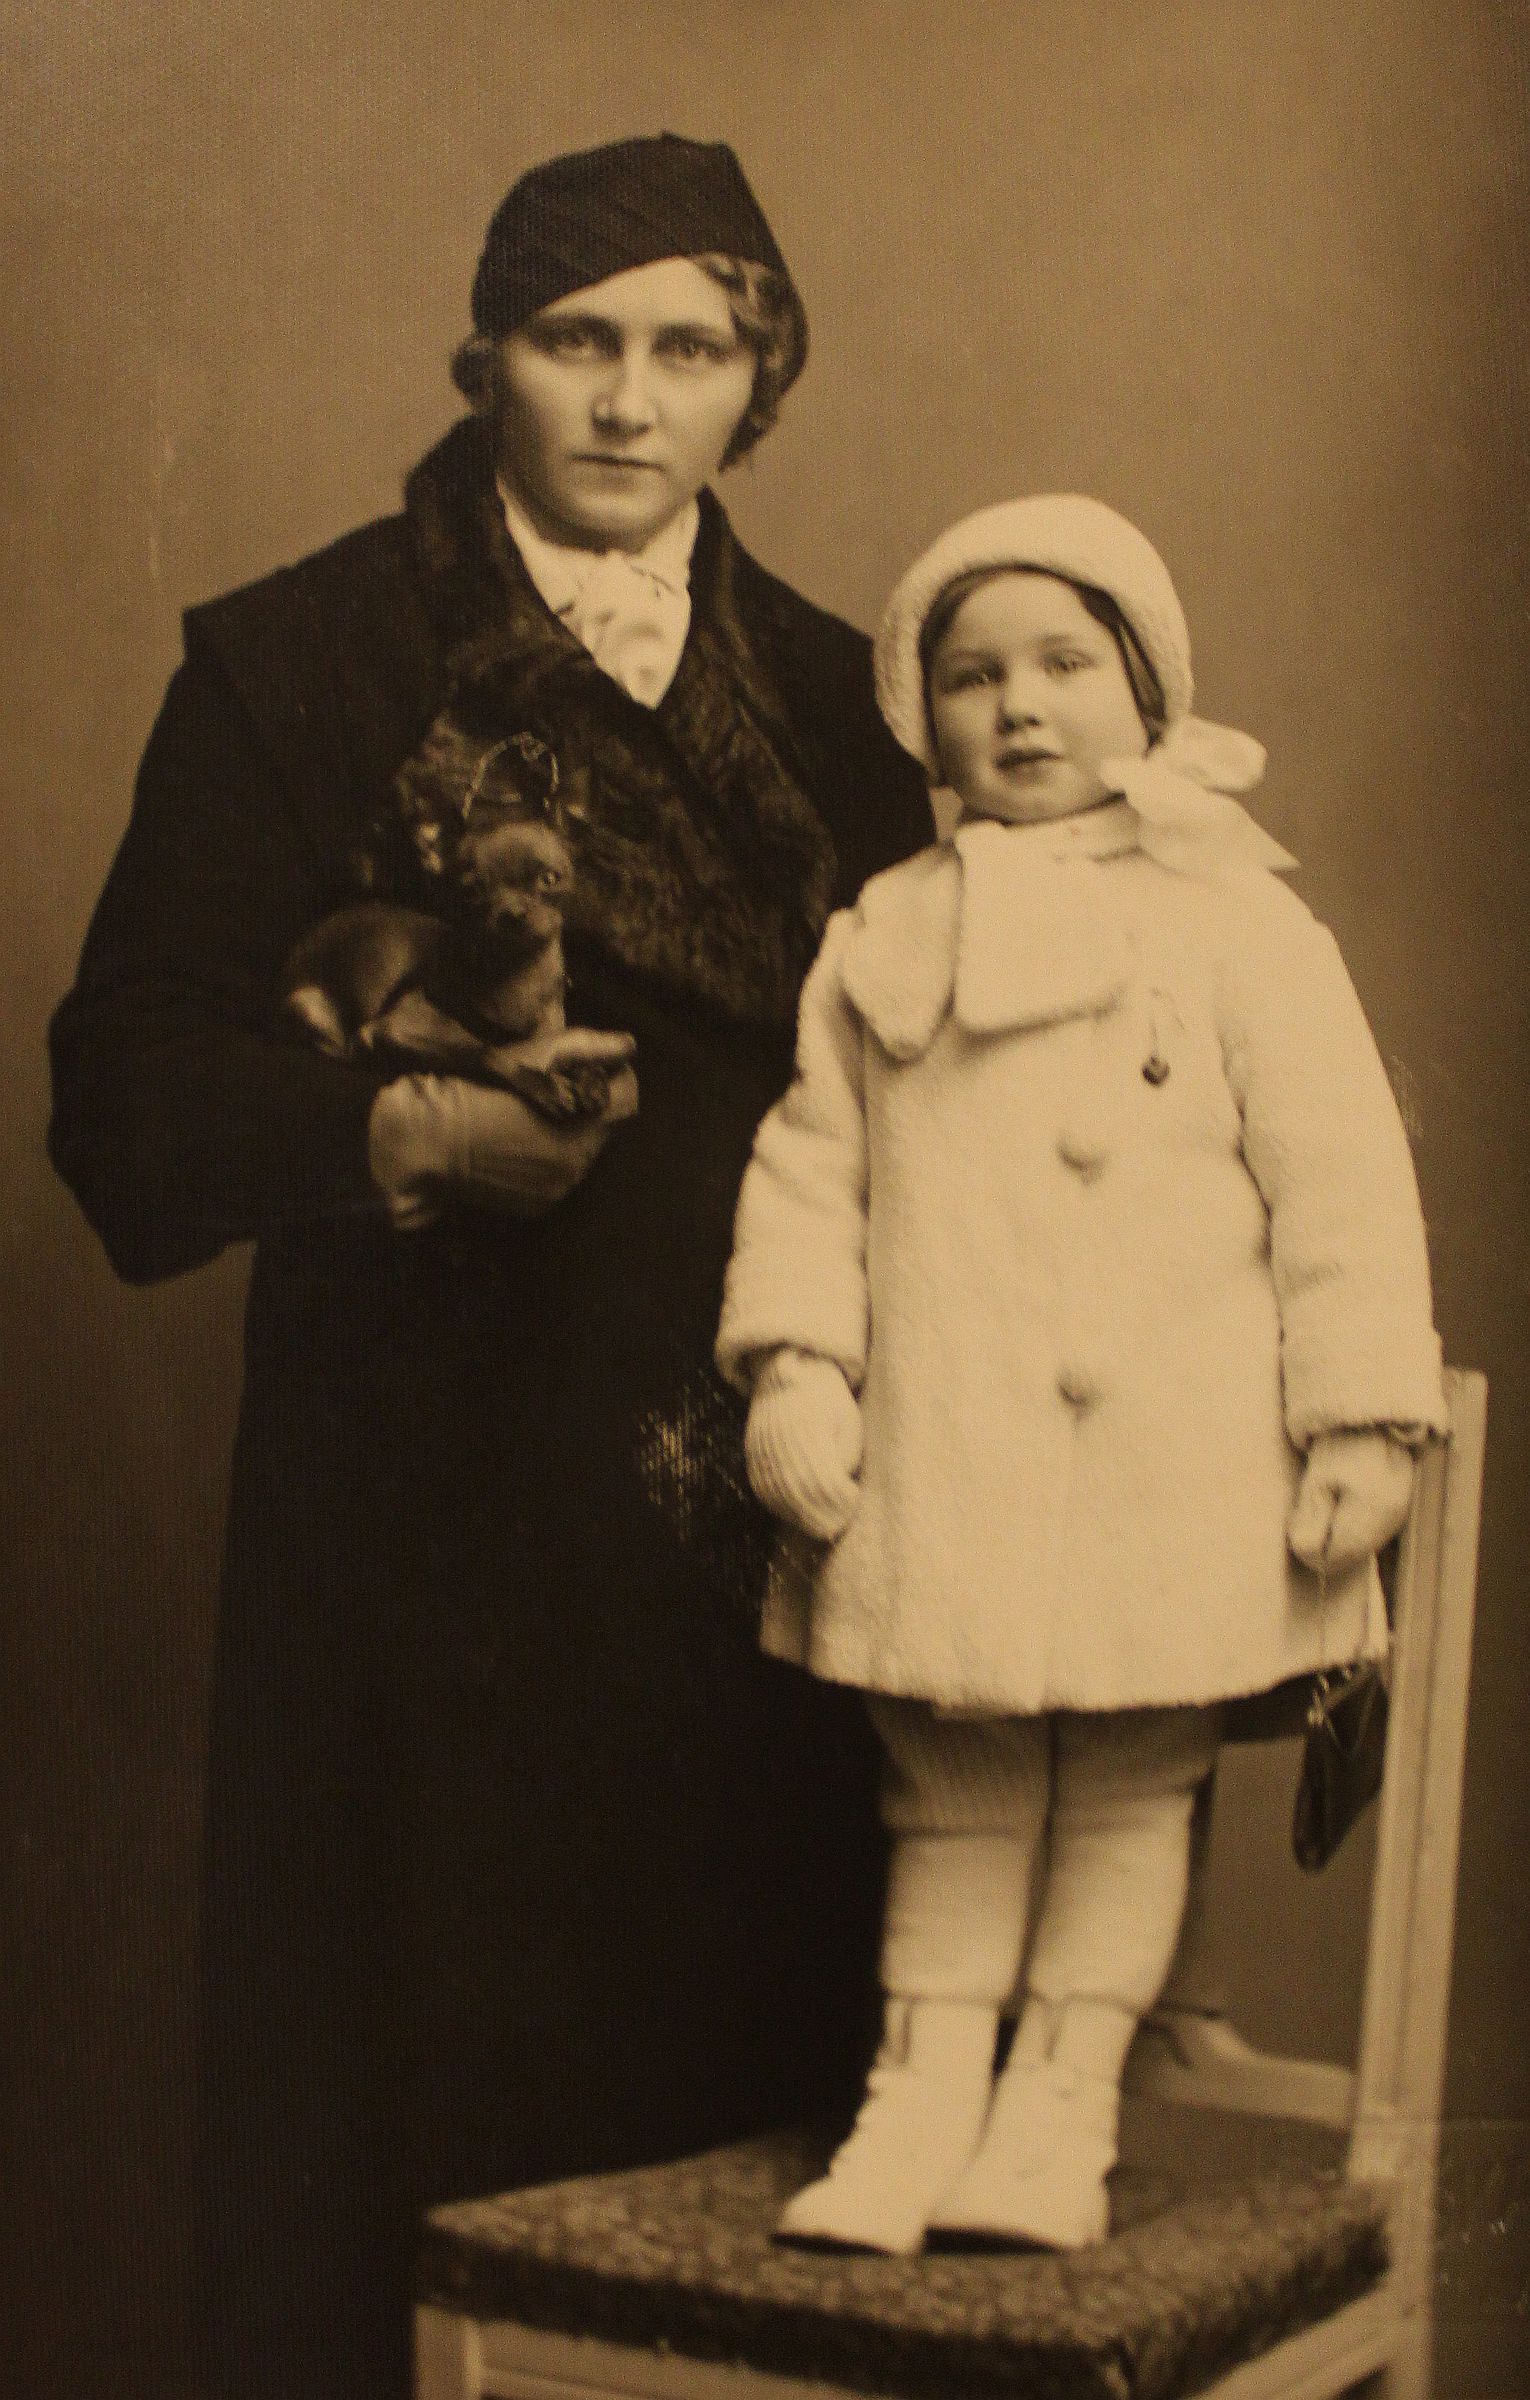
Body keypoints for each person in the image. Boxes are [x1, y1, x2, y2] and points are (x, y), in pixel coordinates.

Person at [47, 135, 931, 2399]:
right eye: (574, 342)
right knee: (429, 2193)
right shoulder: (307, 655)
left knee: (765, 2186)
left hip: (768, 1545)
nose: (629, 403)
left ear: (759, 384)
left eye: (690, 351)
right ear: (485, 365)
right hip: (424, 1577)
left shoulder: (857, 701)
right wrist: (394, 1134)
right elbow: (123, 1098)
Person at [716, 493, 1447, 2257]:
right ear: (923, 716)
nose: (1018, 708)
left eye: (1063, 665)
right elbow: (810, 1172)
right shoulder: (884, 928)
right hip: (948, 1451)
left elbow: (1341, 1176)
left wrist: (1359, 1411)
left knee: (1129, 1782)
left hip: (1165, 1463)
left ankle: (1059, 2106)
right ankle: (917, 2098)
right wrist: (795, 1367)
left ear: (1148, 693)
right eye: (971, 677)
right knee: (947, 1791)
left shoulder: (1238, 918)